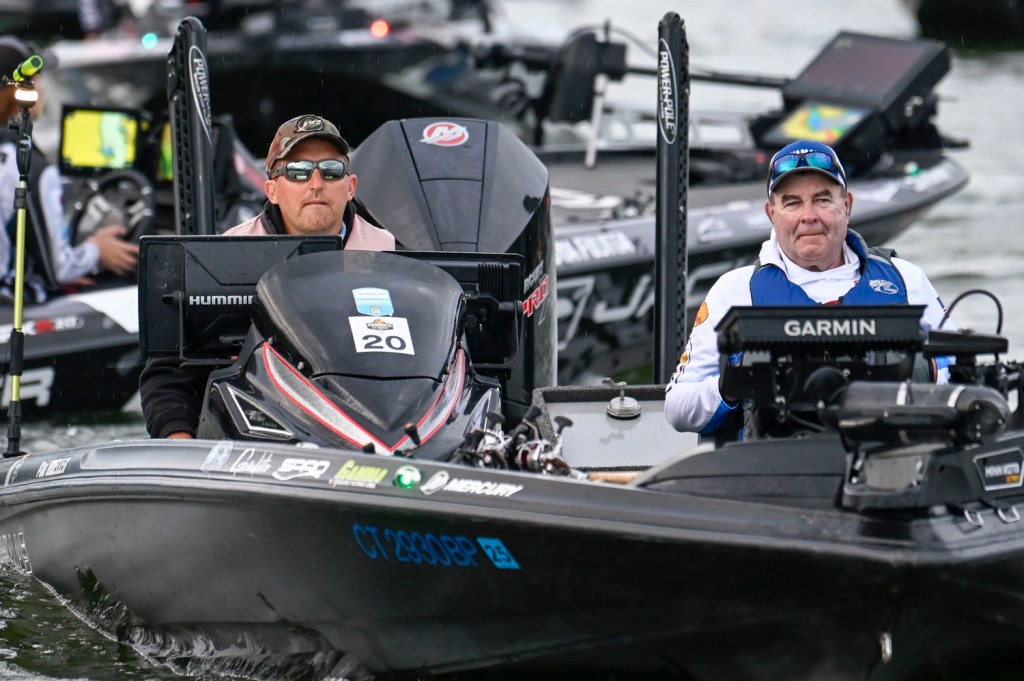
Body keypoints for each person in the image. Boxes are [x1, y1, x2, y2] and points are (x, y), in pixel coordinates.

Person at [664, 139, 952, 435]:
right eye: (792, 203)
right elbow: (677, 407)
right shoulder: (734, 291)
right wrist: (732, 384)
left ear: (847, 206)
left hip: (889, 457)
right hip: (773, 461)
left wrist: (919, 372)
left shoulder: (906, 279)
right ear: (771, 214)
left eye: (822, 200)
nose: (809, 216)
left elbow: (960, 376)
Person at [139, 114, 396, 439]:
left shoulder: (391, 255)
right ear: (272, 190)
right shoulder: (224, 255)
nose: (316, 183)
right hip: (259, 430)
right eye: (298, 171)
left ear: (351, 187)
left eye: (331, 170)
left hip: (368, 427)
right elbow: (170, 370)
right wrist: (178, 437)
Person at [0, 35, 138, 298]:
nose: (42, 90)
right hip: (12, 307)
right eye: (36, 80)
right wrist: (98, 249)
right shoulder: (28, 167)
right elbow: (58, 270)